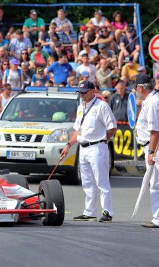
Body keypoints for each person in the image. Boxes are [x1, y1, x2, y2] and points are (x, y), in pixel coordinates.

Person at [60, 80, 117, 222]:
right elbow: (77, 130)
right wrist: (68, 145)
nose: (82, 95)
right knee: (87, 182)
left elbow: (112, 127)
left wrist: (103, 139)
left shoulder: (101, 106)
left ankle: (107, 211)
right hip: (83, 148)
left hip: (97, 147)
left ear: (93, 91)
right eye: (80, 92)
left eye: (84, 92)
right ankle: (89, 211)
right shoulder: (81, 107)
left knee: (101, 181)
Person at [134, 74, 159, 228]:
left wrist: (151, 153)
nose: (136, 90)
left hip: (155, 144)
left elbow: (155, 131)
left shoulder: (153, 102)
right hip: (157, 143)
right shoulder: (152, 100)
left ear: (141, 88)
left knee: (156, 183)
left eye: (136, 87)